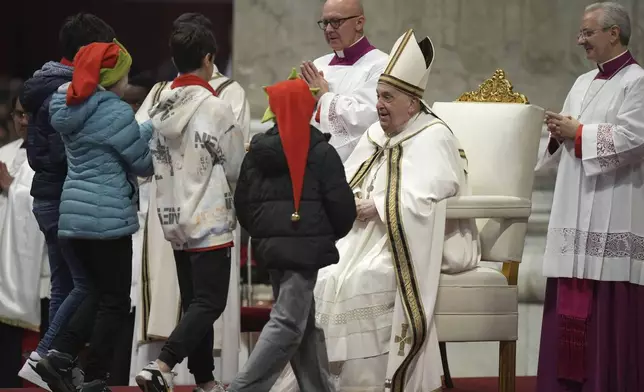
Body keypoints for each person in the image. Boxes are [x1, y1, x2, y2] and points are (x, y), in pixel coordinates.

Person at [274, 29, 480, 392]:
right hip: (363, 236)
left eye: (388, 97)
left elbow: (434, 197)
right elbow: (348, 179)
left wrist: (381, 206)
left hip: (408, 241)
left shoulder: (433, 136)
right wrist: (347, 200)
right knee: (324, 273)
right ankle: (322, 381)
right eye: (378, 96)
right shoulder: (376, 134)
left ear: (412, 104)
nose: (379, 105)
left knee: (362, 279)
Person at [34, 40, 154, 392]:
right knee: (115, 301)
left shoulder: (67, 105)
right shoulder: (114, 111)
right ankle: (96, 376)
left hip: (73, 214)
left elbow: (105, 142)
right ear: (114, 76)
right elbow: (142, 162)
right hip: (108, 216)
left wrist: (139, 130)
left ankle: (60, 354)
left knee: (92, 291)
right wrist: (149, 131)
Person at [535, 3, 644, 392]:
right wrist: (554, 131)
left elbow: (634, 139)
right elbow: (563, 133)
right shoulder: (582, 82)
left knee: (607, 309)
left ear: (613, 33)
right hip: (574, 204)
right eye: (581, 33)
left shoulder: (637, 82)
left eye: (588, 33)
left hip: (613, 208)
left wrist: (578, 132)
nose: (581, 41)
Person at [134, 22, 245, 392]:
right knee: (210, 303)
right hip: (208, 215)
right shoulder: (215, 106)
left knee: (196, 303)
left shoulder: (159, 104)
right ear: (208, 59)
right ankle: (162, 365)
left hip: (173, 217)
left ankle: (206, 382)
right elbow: (234, 166)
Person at [228, 76, 356, 392]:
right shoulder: (321, 152)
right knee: (287, 323)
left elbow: (242, 204)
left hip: (272, 249)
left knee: (304, 325)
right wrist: (325, 236)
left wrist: (266, 234)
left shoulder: (256, 153)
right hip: (305, 250)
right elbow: (342, 206)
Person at [17, 13, 117, 390]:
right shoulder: (67, 91)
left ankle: (57, 365)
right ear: (87, 53)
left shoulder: (40, 84)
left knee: (64, 286)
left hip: (45, 193)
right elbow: (64, 151)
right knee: (87, 285)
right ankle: (45, 357)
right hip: (63, 195)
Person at [302, 0, 388, 162]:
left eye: (336, 22)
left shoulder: (382, 65)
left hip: (357, 165)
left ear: (359, 23)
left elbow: (370, 118)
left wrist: (324, 98)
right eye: (325, 22)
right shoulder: (319, 65)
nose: (328, 29)